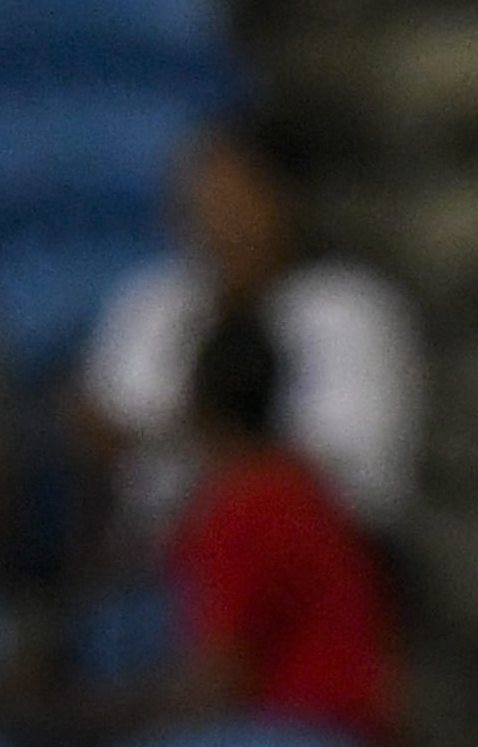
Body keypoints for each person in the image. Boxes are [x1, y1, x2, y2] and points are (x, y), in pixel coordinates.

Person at [78, 116, 426, 558]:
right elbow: (101, 429)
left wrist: (180, 442)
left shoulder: (352, 310)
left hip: (313, 561)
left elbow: (358, 470)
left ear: (286, 200)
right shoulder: (153, 304)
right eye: (206, 200)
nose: (220, 219)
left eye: (237, 198)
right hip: (165, 561)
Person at [71, 309, 400, 747]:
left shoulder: (241, 505)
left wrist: (93, 718)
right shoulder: (306, 485)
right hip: (348, 737)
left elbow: (221, 679)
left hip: (302, 740)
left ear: (196, 403)